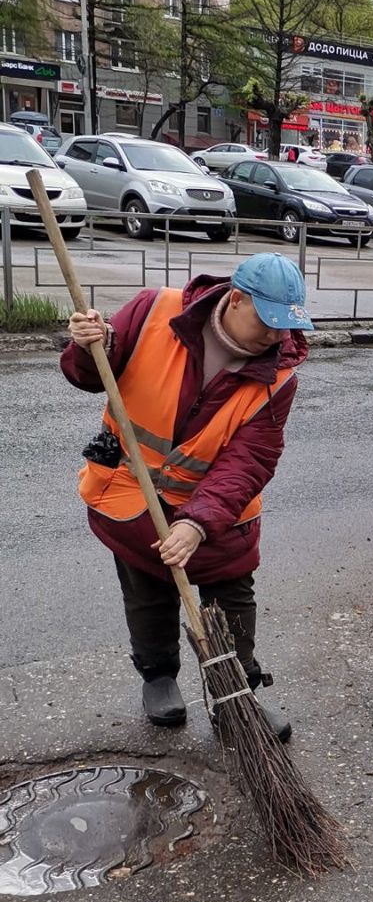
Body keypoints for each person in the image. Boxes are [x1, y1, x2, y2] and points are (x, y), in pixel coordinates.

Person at [61, 254, 313, 733]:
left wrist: (197, 523)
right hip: (133, 498)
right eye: (268, 323)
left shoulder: (279, 375)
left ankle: (236, 694)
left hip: (219, 515)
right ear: (235, 299)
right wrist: (94, 345)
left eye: (286, 326)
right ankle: (158, 678)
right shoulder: (154, 311)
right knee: (147, 590)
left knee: (232, 602)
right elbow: (88, 375)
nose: (276, 337)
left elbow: (250, 460)